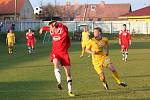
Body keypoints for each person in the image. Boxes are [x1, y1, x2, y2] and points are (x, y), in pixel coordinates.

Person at [39, 20, 75, 97]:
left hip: (64, 53)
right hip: (55, 52)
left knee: (68, 73)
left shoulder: (62, 31)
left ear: (55, 26)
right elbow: (46, 28)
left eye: (51, 27)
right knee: (55, 63)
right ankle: (59, 82)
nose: (50, 29)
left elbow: (65, 31)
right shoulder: (51, 30)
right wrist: (42, 28)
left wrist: (59, 24)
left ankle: (70, 91)